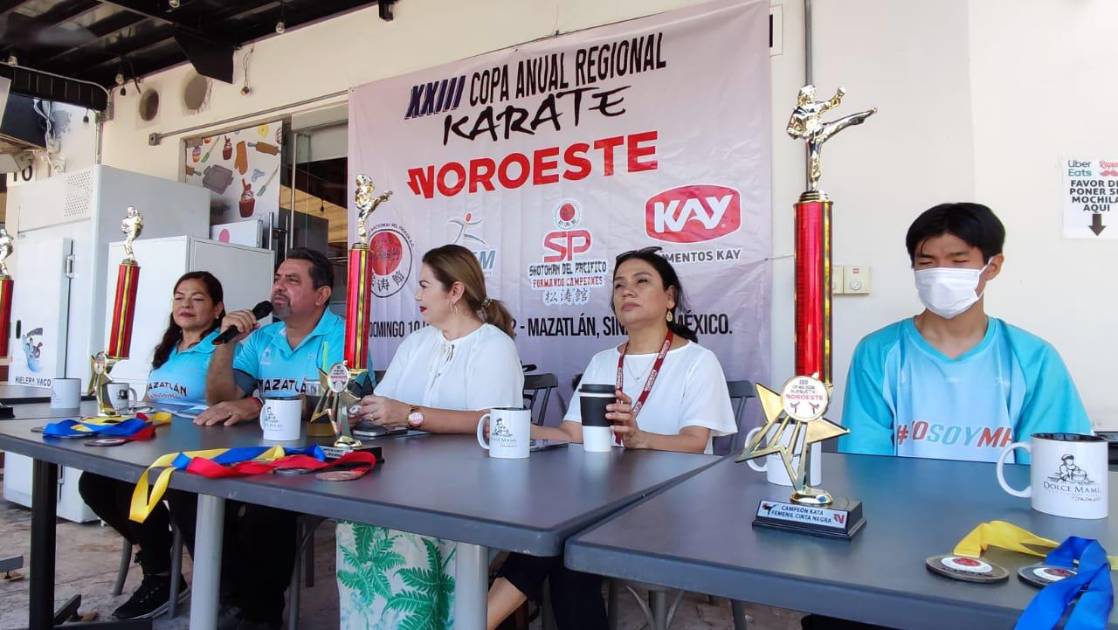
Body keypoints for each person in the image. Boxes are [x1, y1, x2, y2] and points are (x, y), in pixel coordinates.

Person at [487, 246, 737, 630]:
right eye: (619, 285)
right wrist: (517, 427)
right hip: (601, 504)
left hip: (673, 506)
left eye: (641, 281)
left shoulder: (697, 361)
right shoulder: (603, 361)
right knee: (559, 546)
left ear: (670, 297)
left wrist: (641, 438)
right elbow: (572, 434)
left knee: (560, 542)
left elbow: (694, 441)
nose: (627, 291)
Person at [336, 244, 523, 630]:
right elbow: (386, 403)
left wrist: (410, 415)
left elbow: (494, 421)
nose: (417, 295)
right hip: (405, 479)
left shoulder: (494, 346)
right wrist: (361, 411)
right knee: (354, 522)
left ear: (455, 291)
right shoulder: (417, 342)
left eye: (424, 286)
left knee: (407, 535)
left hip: (467, 488)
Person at [839, 202, 1091, 462]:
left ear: (992, 266)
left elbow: (1054, 465)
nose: (941, 274)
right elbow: (864, 463)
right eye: (926, 262)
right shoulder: (878, 353)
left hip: (1002, 491)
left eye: (958, 261)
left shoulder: (1034, 358)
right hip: (899, 491)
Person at [183, 247, 345, 630]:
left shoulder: (341, 335)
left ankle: (261, 615)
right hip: (257, 455)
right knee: (188, 489)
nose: (278, 287)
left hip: (314, 458)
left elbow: (340, 400)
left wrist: (259, 403)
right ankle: (233, 596)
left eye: (292, 280)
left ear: (321, 294)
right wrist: (226, 344)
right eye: (277, 279)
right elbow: (222, 399)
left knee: (266, 509)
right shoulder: (263, 338)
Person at [77, 271, 225, 619]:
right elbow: (151, 401)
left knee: (131, 488)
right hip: (156, 442)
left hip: (196, 449)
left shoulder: (221, 348)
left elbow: (223, 399)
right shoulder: (169, 349)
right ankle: (158, 552)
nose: (186, 304)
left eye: (197, 298)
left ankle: (159, 575)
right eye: (179, 297)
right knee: (94, 483)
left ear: (218, 308)